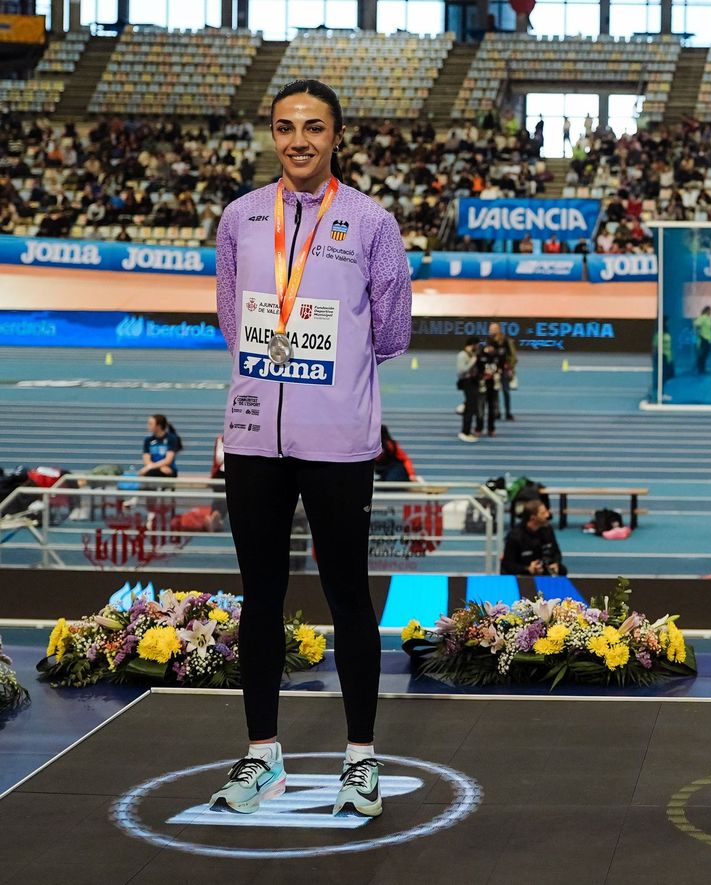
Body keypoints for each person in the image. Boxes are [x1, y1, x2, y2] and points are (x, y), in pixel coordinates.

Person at [210, 79, 411, 818]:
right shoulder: (240, 217)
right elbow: (234, 320)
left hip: (337, 442)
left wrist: (327, 382)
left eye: (315, 127)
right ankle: (262, 754)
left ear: (336, 137)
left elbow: (390, 331)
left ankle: (361, 758)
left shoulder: (370, 222)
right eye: (287, 126)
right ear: (272, 133)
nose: (300, 139)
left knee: (347, 595)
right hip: (256, 436)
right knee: (258, 599)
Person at [499, 499, 566, 576]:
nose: (548, 515)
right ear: (533, 518)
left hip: (543, 570)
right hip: (522, 575)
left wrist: (556, 564)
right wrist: (528, 569)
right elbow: (508, 565)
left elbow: (556, 552)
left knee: (562, 570)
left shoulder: (547, 529)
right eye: (543, 513)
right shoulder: (515, 536)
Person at [487, 321, 518, 421]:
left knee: (506, 391)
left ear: (498, 329)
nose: (491, 330)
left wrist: (511, 368)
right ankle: (497, 412)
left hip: (505, 370)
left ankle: (508, 412)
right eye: (490, 329)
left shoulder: (506, 341)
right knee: (495, 392)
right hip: (494, 370)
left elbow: (513, 356)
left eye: (493, 329)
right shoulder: (489, 341)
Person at [456, 336, 482, 442]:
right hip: (467, 383)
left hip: (473, 382)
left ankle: (467, 430)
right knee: (470, 409)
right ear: (472, 345)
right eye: (477, 345)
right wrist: (473, 361)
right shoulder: (463, 355)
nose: (478, 347)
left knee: (472, 406)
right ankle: (464, 432)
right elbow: (461, 370)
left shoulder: (472, 354)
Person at [693, 305, 711, 374]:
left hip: (709, 339)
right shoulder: (702, 317)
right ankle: (700, 368)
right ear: (707, 310)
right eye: (710, 310)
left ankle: (703, 368)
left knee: (705, 354)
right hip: (703, 338)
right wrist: (699, 334)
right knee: (702, 354)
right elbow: (696, 325)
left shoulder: (709, 318)